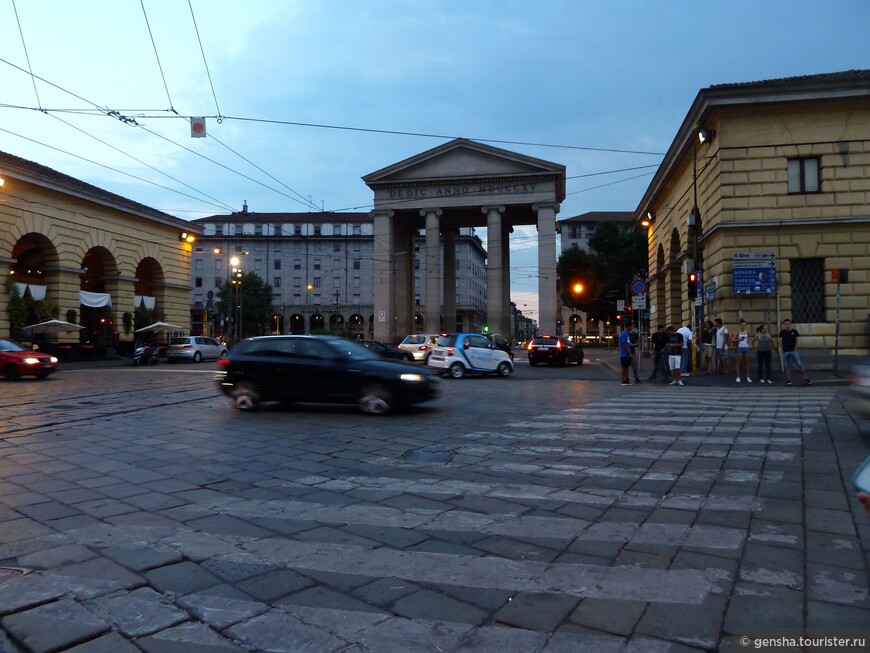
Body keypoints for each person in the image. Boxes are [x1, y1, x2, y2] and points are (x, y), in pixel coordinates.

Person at [778, 318, 812, 386]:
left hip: (793, 351)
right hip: (786, 351)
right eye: (785, 324)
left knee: (799, 364)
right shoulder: (782, 332)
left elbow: (796, 341)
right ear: (784, 325)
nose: (787, 325)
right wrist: (782, 349)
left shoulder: (794, 331)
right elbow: (780, 341)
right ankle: (789, 379)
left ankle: (805, 377)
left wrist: (795, 349)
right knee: (787, 366)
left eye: (788, 324)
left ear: (790, 324)